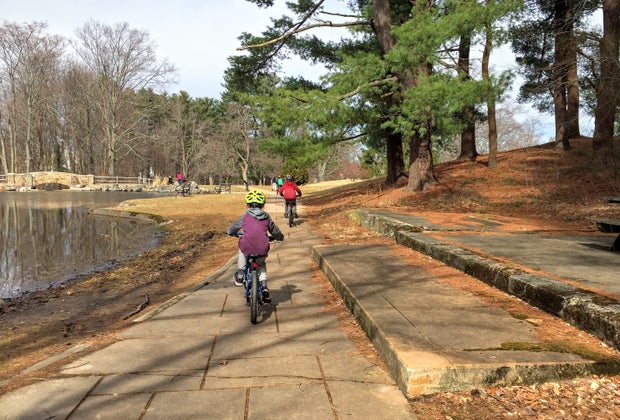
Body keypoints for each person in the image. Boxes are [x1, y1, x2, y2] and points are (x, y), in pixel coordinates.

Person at [226, 190, 284, 303]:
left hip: (247, 246)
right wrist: (279, 237)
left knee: (243, 248)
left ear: (247, 204)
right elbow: (274, 230)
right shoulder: (266, 217)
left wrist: (229, 232)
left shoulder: (245, 216)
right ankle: (264, 286)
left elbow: (233, 228)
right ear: (262, 205)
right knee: (261, 264)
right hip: (262, 247)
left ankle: (241, 274)